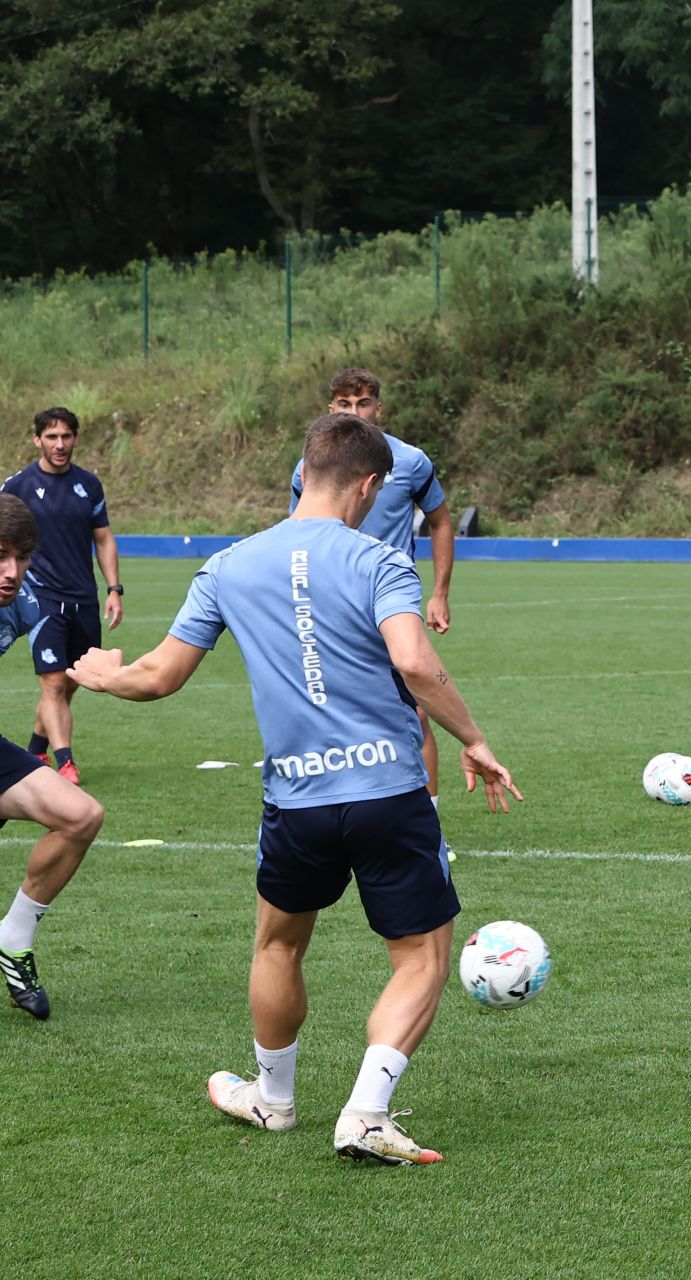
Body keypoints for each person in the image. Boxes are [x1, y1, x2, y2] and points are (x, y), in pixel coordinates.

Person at [72, 413, 521, 1163]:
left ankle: (273, 1100)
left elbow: (158, 676)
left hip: (296, 800)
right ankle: (366, 1114)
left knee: (278, 944)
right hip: (386, 792)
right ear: (371, 487)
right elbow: (415, 662)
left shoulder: (227, 565)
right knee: (420, 956)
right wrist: (472, 739)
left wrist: (102, 675)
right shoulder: (380, 561)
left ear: (302, 473)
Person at [291, 369, 455, 813]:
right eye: (345, 404)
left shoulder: (410, 461)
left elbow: (441, 522)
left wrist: (439, 593)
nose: (355, 412)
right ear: (331, 409)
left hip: (389, 602)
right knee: (334, 706)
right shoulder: (311, 468)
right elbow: (297, 532)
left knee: (415, 709)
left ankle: (428, 818)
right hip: (331, 602)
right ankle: (343, 805)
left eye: (363, 403)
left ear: (378, 409)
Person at [0, 495, 105, 1019]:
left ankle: (13, 937)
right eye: (0, 556)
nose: (11, 571)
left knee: (81, 814)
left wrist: (107, 675)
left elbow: (54, 683)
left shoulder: (22, 605)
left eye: (20, 557)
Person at [1, 407, 123, 786]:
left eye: (66, 436)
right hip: (42, 599)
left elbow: (103, 538)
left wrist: (114, 588)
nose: (59, 444)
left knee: (71, 680)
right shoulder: (17, 486)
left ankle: (36, 748)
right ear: (37, 439)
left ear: (75, 439)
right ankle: (65, 764)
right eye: (51, 437)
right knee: (53, 683)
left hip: (84, 598)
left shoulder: (89, 485)